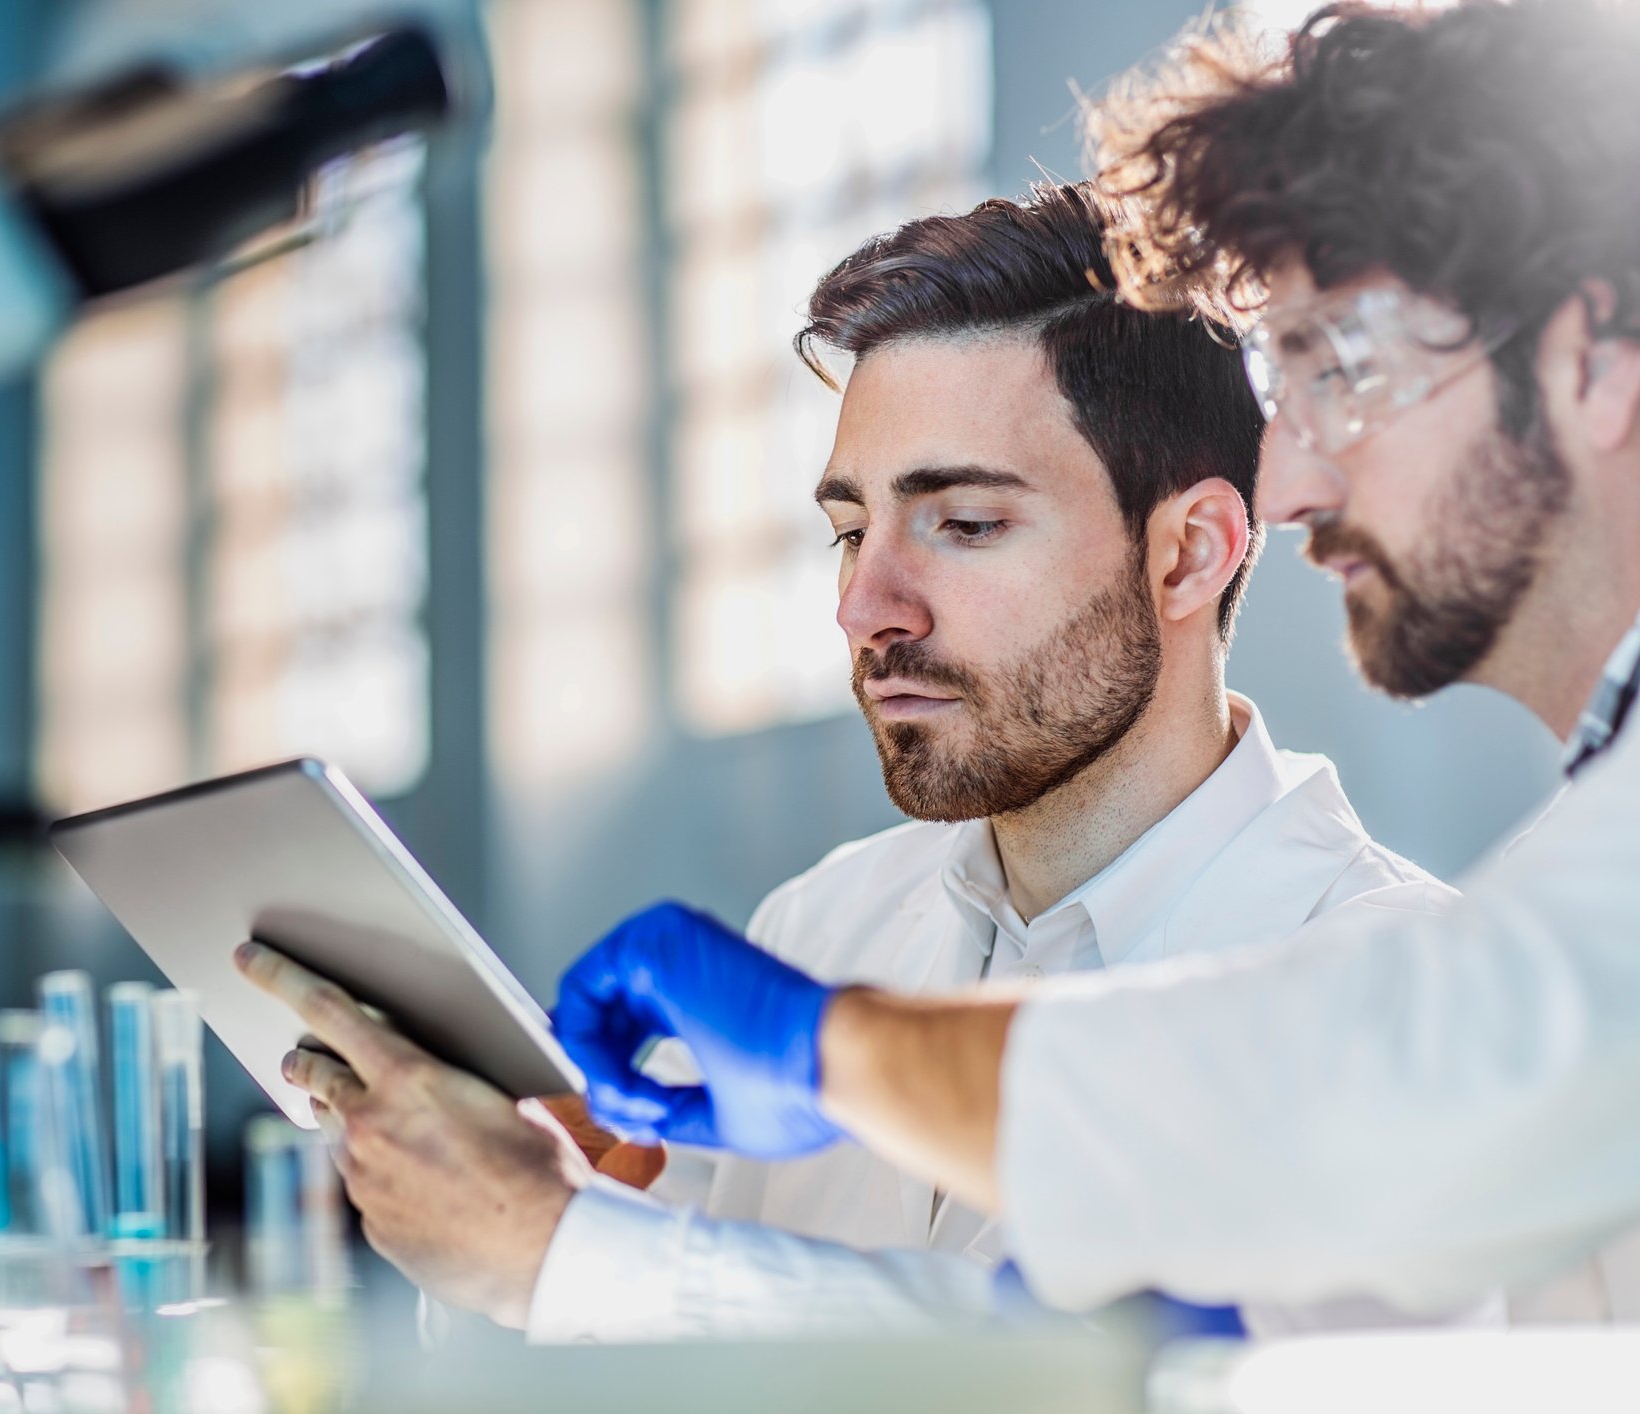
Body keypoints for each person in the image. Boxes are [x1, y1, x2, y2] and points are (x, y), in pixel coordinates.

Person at [549, 0, 1640, 1320]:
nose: (1286, 477)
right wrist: (569, 1215)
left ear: (1590, 361)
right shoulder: (826, 921)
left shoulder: (1426, 948)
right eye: (850, 529)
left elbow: (1377, 1080)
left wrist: (821, 1056)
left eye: (1337, 367)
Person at [235, 182, 1459, 1338]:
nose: (867, 606)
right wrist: (541, 1215)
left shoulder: (1411, 1000)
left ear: (1190, 554)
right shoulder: (819, 928)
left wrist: (568, 1257)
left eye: (965, 524)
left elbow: (1195, 1381)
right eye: (849, 530)